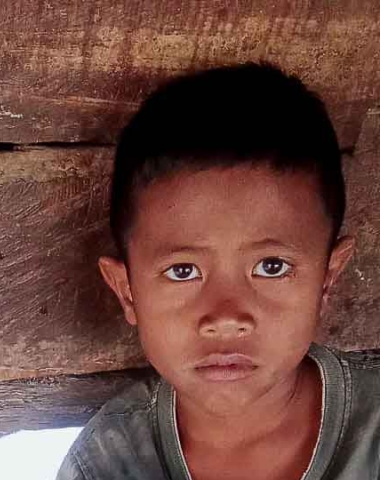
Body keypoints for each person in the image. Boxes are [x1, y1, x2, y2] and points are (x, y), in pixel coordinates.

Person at [56, 62, 379, 480]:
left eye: (271, 266)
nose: (226, 317)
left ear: (328, 278)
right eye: (183, 271)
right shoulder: (107, 464)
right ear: (127, 291)